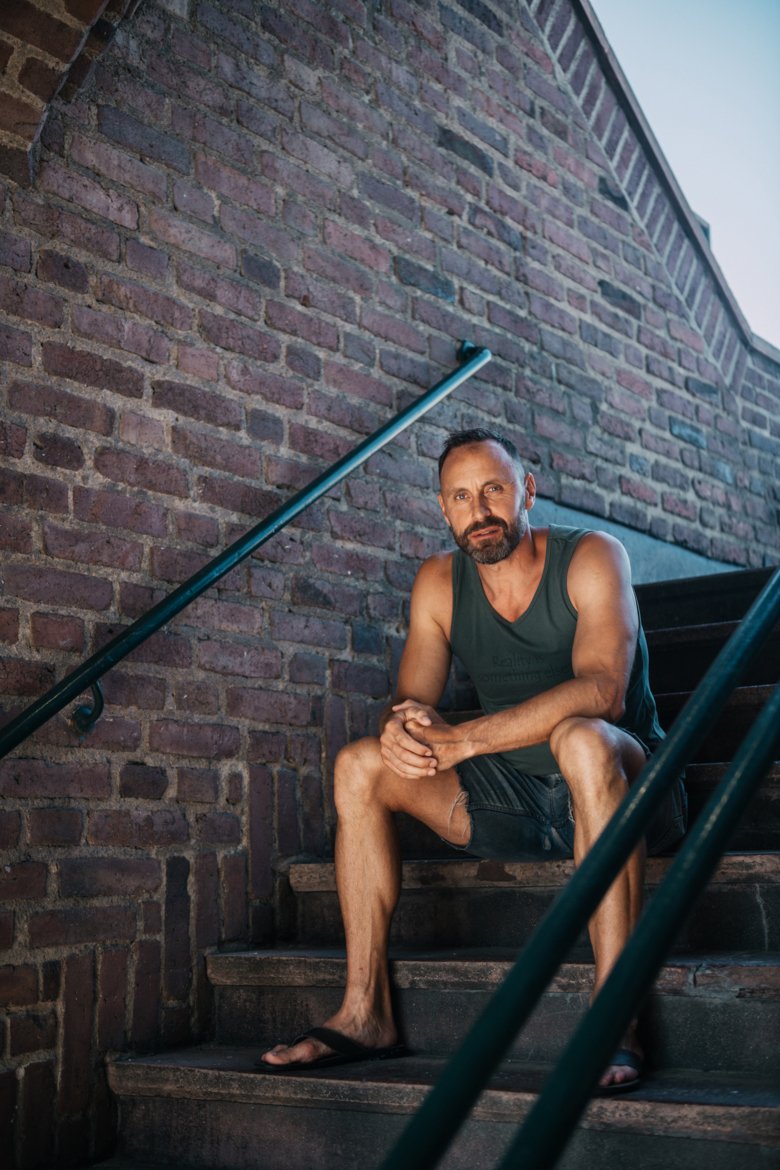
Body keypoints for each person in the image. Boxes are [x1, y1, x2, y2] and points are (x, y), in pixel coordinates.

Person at [258, 428, 687, 1090]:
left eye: (493, 489)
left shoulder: (593, 556)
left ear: (528, 492)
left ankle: (615, 1017)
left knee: (580, 737)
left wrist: (464, 739)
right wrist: (401, 728)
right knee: (360, 765)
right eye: (461, 496)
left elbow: (604, 691)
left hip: (627, 788)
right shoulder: (437, 581)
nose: (479, 510)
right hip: (515, 800)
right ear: (442, 509)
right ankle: (365, 1013)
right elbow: (411, 701)